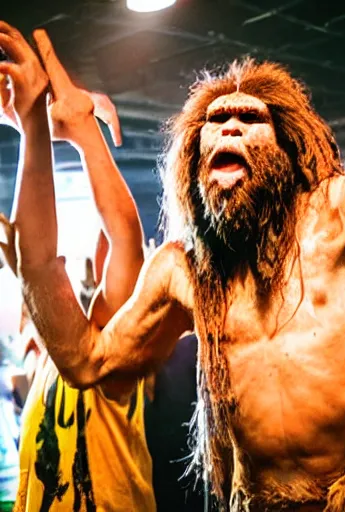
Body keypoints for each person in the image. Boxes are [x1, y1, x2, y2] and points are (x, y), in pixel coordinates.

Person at [2, 0, 345, 508]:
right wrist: (32, 129)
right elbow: (85, 361)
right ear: (194, 158)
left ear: (286, 148)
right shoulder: (183, 273)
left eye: (248, 118)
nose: (230, 127)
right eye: (216, 120)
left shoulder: (339, 218)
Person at [0, 27, 154, 510]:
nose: (101, 255)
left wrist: (64, 130)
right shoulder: (54, 359)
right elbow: (40, 266)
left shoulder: (115, 369)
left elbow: (124, 233)